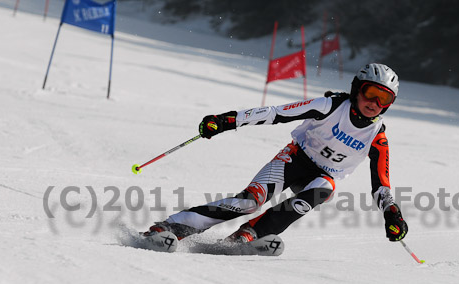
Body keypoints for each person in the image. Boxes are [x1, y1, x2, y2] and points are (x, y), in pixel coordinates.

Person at [144, 63, 408, 244]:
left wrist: (391, 213)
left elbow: (381, 187)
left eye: (383, 99)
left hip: (320, 176)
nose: (374, 103)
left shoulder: (377, 138)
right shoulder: (329, 106)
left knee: (323, 189)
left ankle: (250, 234)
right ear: (357, 88)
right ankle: (171, 227)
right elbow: (276, 113)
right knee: (250, 202)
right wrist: (227, 120)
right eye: (370, 93)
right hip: (293, 160)